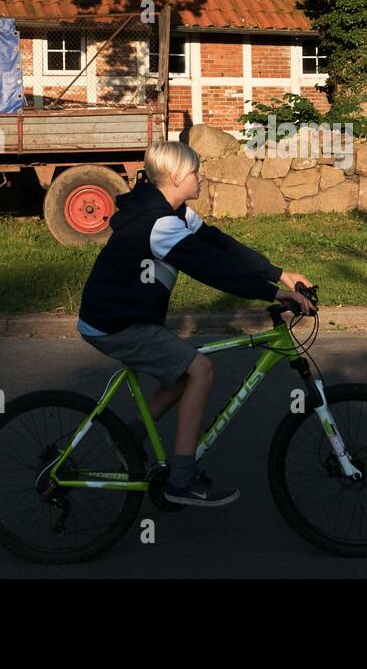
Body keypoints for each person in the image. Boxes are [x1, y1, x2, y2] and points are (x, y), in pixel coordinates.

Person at [77, 140, 314, 507]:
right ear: (175, 177)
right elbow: (209, 267)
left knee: (183, 376)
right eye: (194, 172)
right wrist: (271, 294)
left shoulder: (174, 211)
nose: (200, 178)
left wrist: (280, 274)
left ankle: (125, 436)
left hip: (123, 314)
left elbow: (220, 246)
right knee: (199, 370)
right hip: (115, 323)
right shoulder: (159, 224)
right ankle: (182, 481)